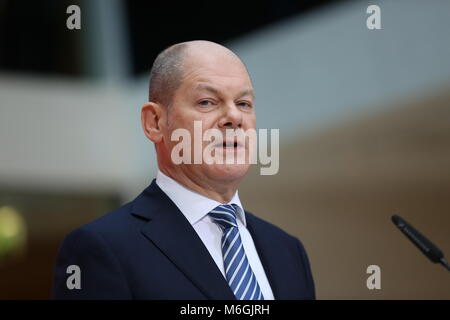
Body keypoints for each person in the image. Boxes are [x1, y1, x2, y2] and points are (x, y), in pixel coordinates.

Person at [52, 40, 315, 300]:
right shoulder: (101, 248)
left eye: (244, 104)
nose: (234, 117)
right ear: (155, 122)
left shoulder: (288, 251)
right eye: (207, 102)